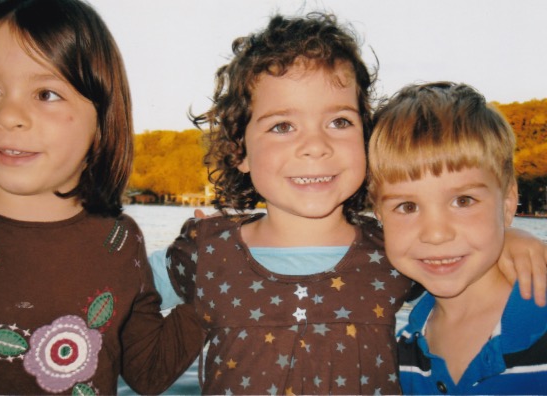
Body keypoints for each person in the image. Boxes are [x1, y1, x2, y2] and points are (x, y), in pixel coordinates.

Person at [148, 13, 547, 395]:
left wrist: (508, 238)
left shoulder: (389, 250)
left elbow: (450, 249)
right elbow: (117, 290)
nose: (316, 146)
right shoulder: (207, 251)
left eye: (339, 122)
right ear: (240, 150)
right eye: (282, 126)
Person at [0, 0, 204, 394]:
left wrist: (208, 283)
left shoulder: (121, 240)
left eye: (46, 94)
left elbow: (148, 372)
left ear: (102, 119)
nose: (8, 115)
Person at [368, 81, 547, 394]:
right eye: (407, 206)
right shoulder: (401, 352)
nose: (436, 234)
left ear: (507, 204)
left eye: (463, 201)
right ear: (379, 216)